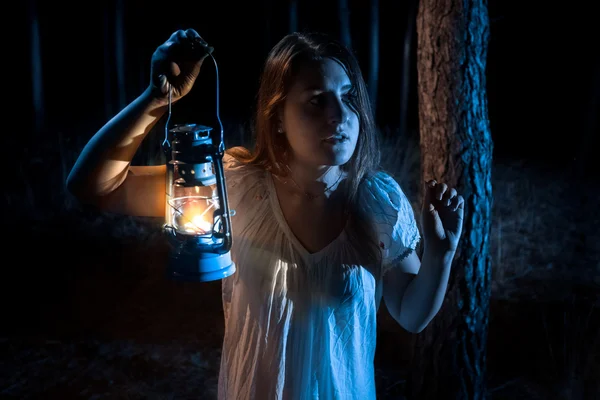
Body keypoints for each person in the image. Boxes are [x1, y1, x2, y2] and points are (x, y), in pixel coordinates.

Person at [66, 28, 464, 399]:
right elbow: (94, 187)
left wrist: (441, 256)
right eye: (316, 100)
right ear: (277, 118)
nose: (338, 115)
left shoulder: (379, 201)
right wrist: (155, 98)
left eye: (348, 97)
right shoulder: (236, 186)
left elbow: (412, 314)